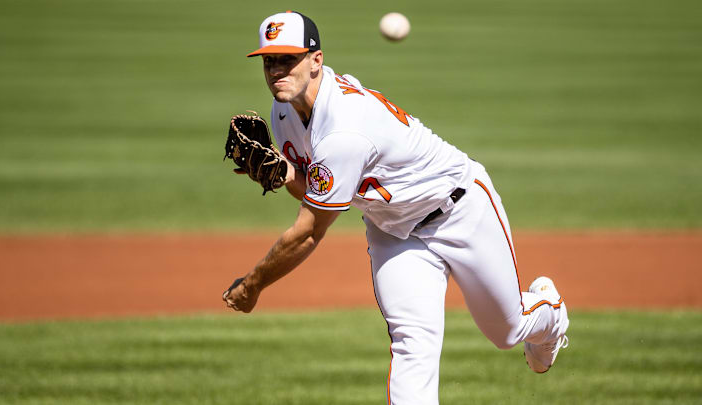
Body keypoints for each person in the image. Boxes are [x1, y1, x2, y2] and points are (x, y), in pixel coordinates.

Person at [223, 11, 570, 405]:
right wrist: (286, 173)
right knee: (412, 344)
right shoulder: (284, 112)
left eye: (287, 59)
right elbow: (317, 191)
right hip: (393, 232)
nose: (276, 70)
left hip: (459, 208)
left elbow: (308, 232)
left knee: (506, 331)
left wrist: (252, 285)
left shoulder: (344, 129)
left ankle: (549, 311)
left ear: (316, 60)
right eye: (269, 60)